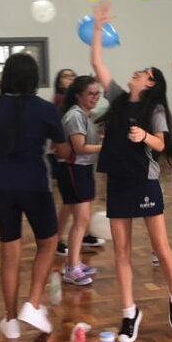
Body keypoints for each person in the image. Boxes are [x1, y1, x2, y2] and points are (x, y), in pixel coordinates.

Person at [91, 1, 172, 342]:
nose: (136, 72)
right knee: (121, 252)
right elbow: (97, 63)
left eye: (144, 72)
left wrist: (144, 136)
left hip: (144, 182)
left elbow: (161, 143)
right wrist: (98, 28)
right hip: (117, 182)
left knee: (161, 247)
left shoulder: (154, 108)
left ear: (151, 83)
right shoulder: (117, 98)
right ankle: (129, 312)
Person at [0, 53, 70, 338]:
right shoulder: (45, 108)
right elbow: (63, 150)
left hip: (1, 184)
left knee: (10, 252)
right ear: (34, 78)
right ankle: (33, 303)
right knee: (48, 243)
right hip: (34, 183)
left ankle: (10, 321)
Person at [57, 75, 102, 286]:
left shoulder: (86, 115)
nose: (95, 97)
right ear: (78, 96)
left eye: (97, 94)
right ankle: (71, 269)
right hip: (74, 169)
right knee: (81, 220)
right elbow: (80, 147)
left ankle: (73, 263)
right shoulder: (75, 115)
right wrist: (107, 146)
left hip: (83, 169)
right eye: (90, 94)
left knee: (81, 220)